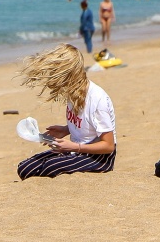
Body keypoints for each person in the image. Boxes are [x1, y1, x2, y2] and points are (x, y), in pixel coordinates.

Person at [16, 44, 116, 179]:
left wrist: (75, 147)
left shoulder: (97, 99)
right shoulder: (73, 92)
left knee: (51, 167)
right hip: (75, 150)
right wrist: (66, 129)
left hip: (99, 157)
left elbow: (108, 146)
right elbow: (86, 123)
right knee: (25, 168)